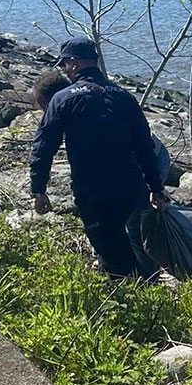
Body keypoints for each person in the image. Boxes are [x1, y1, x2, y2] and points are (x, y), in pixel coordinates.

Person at [30, 37, 167, 279]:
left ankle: (131, 298)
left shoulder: (63, 98)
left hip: (94, 190)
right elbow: (144, 145)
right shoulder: (124, 97)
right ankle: (136, 286)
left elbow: (44, 146)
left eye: (65, 65)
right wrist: (155, 187)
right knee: (127, 244)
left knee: (114, 255)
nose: (64, 70)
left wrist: (39, 189)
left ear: (73, 64)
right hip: (131, 187)